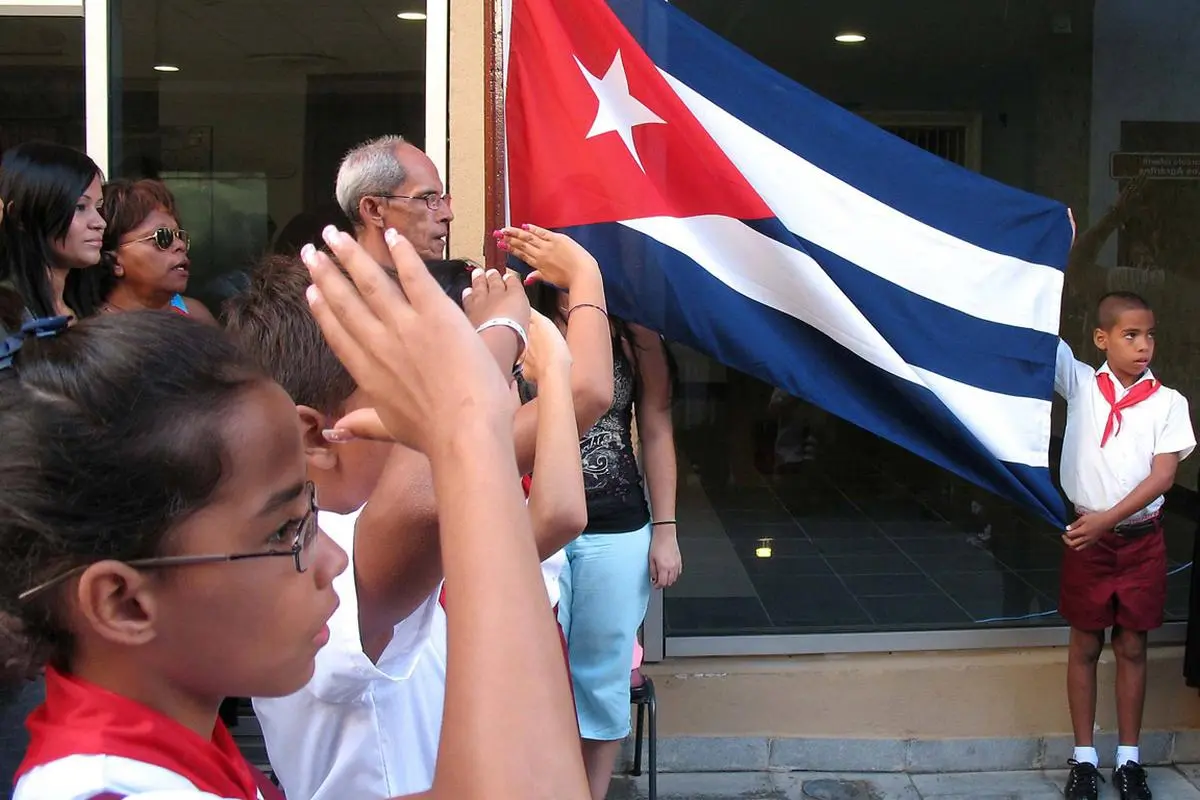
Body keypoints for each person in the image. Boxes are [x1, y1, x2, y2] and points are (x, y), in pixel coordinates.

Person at [2, 226, 589, 799]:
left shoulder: (170, 757)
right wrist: (468, 414)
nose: (332, 558)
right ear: (123, 602)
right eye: (286, 531)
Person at [224, 251, 586, 799]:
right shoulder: (312, 555)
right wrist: (495, 334)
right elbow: (428, 484)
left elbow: (557, 512)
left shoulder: (417, 525)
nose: (429, 413)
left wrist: (550, 358)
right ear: (317, 436)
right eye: (408, 392)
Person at [521, 247, 683, 800]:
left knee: (600, 678)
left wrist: (666, 530)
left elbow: (655, 427)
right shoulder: (523, 319)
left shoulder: (633, 334)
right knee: (532, 676)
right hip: (534, 526)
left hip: (616, 528)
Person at [1056, 291, 1195, 800]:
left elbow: (1162, 477)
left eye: (1149, 335)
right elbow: (1037, 326)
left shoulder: (1168, 403)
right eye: (1130, 335)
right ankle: (1084, 759)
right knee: (1085, 645)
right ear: (1101, 338)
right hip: (1087, 543)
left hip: (1140, 541)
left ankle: (1129, 759)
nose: (1143, 346)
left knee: (1133, 646)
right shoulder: (1080, 384)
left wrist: (1106, 522)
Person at [0, 142, 108, 330]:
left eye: (98, 207)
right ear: (21, 216)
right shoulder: (8, 316)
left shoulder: (90, 308)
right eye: (80, 207)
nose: (100, 223)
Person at [98, 179, 216, 323]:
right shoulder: (92, 329)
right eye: (162, 237)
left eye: (179, 236)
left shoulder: (196, 316)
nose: (180, 245)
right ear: (114, 261)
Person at [336, 135, 453, 262]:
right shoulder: (329, 275)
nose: (448, 215)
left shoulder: (456, 274)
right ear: (373, 210)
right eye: (428, 198)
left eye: (441, 199)